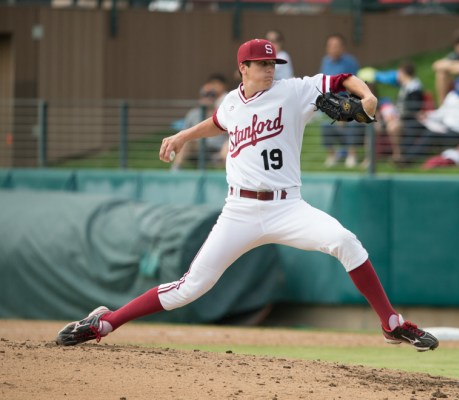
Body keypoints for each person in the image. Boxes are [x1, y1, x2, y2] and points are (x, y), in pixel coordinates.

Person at [55, 38, 439, 352]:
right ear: (243, 68)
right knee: (192, 287)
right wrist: (183, 135)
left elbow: (343, 79)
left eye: (273, 63)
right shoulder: (232, 102)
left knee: (345, 241)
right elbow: (218, 122)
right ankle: (104, 322)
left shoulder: (294, 91)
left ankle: (391, 323)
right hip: (239, 210)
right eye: (262, 64)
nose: (270, 69)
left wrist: (367, 97)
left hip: (288, 206)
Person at [403, 76, 459, 166]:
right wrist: (427, 115)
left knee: (431, 134)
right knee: (413, 125)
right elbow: (441, 113)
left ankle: (408, 159)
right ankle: (403, 154)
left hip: (458, 134)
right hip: (443, 126)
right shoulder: (452, 96)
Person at [358, 62, 426, 166]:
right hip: (393, 118)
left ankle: (397, 155)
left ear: (403, 73)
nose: (397, 75)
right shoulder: (405, 87)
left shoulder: (414, 88)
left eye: (398, 72)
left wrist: (394, 114)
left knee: (392, 126)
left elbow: (413, 108)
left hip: (404, 119)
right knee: (373, 125)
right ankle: (369, 158)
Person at [319, 34, 363, 168]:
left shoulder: (350, 62)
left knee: (352, 125)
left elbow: (356, 89)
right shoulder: (325, 61)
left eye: (336, 46)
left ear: (343, 48)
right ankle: (332, 156)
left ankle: (352, 155)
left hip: (349, 105)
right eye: (330, 46)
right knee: (325, 125)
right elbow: (322, 85)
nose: (333, 49)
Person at [172, 74, 229, 170]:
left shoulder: (222, 112)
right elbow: (183, 132)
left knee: (228, 146)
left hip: (218, 150)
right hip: (198, 148)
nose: (208, 98)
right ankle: (174, 172)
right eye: (205, 95)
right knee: (185, 141)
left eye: (211, 95)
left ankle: (228, 177)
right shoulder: (193, 113)